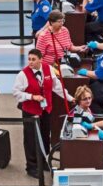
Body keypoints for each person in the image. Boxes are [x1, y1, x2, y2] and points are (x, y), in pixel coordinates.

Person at [12, 49, 73, 177]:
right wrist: (32, 97)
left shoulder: (48, 69)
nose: (30, 62)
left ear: (41, 59)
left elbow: (57, 87)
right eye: (29, 59)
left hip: (46, 110)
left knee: (45, 136)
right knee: (30, 139)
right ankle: (31, 166)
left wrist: (70, 98)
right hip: (30, 111)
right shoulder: (23, 75)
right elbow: (16, 93)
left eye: (33, 59)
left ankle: (43, 161)